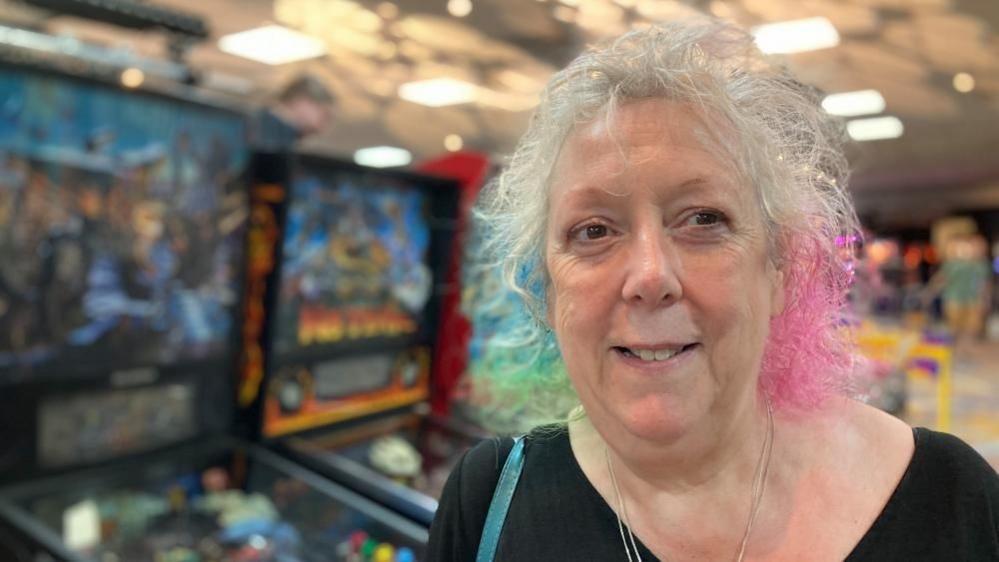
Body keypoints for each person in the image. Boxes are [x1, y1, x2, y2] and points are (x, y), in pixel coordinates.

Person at [429, 19, 999, 561]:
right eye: (594, 231)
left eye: (703, 219)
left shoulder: (952, 497)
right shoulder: (488, 503)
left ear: (780, 269)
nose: (650, 276)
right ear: (549, 294)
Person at [251, 73, 336, 152]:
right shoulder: (263, 131)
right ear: (303, 101)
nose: (321, 129)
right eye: (324, 116)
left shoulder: (280, 135)